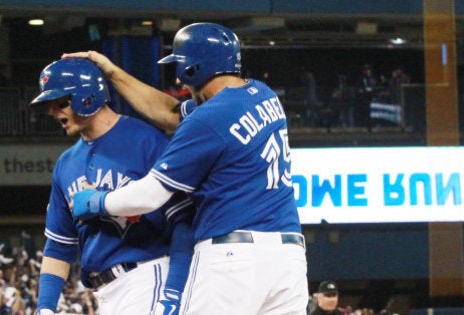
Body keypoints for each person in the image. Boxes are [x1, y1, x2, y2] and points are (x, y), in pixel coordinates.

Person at [66, 22, 309, 314]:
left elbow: (150, 196)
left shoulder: (207, 120)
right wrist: (113, 72)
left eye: (180, 69)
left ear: (193, 69)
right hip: (289, 259)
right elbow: (169, 112)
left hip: (233, 258)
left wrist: (96, 201)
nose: (180, 82)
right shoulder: (262, 93)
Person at [28, 58, 194, 315]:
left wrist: (173, 291)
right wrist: (45, 308)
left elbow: (182, 220)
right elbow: (59, 245)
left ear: (87, 96)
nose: (51, 111)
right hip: (103, 293)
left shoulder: (146, 140)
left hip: (147, 275)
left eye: (60, 102)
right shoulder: (66, 164)